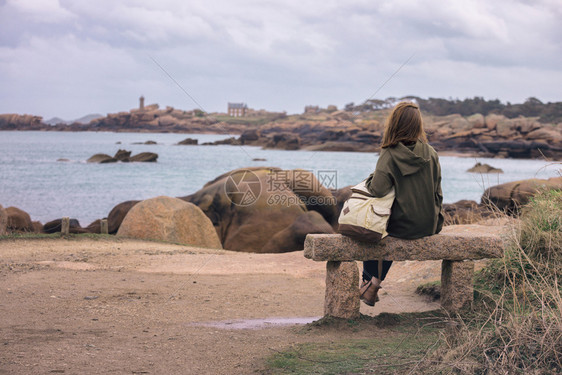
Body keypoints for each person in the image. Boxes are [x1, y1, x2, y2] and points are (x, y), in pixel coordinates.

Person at [360, 101, 444, 306]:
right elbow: (438, 192)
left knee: (374, 228)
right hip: (430, 224)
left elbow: (377, 190)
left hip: (402, 226)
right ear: (418, 125)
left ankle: (370, 283)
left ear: (394, 124)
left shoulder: (389, 153)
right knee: (388, 225)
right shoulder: (431, 153)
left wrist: (372, 178)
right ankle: (371, 284)